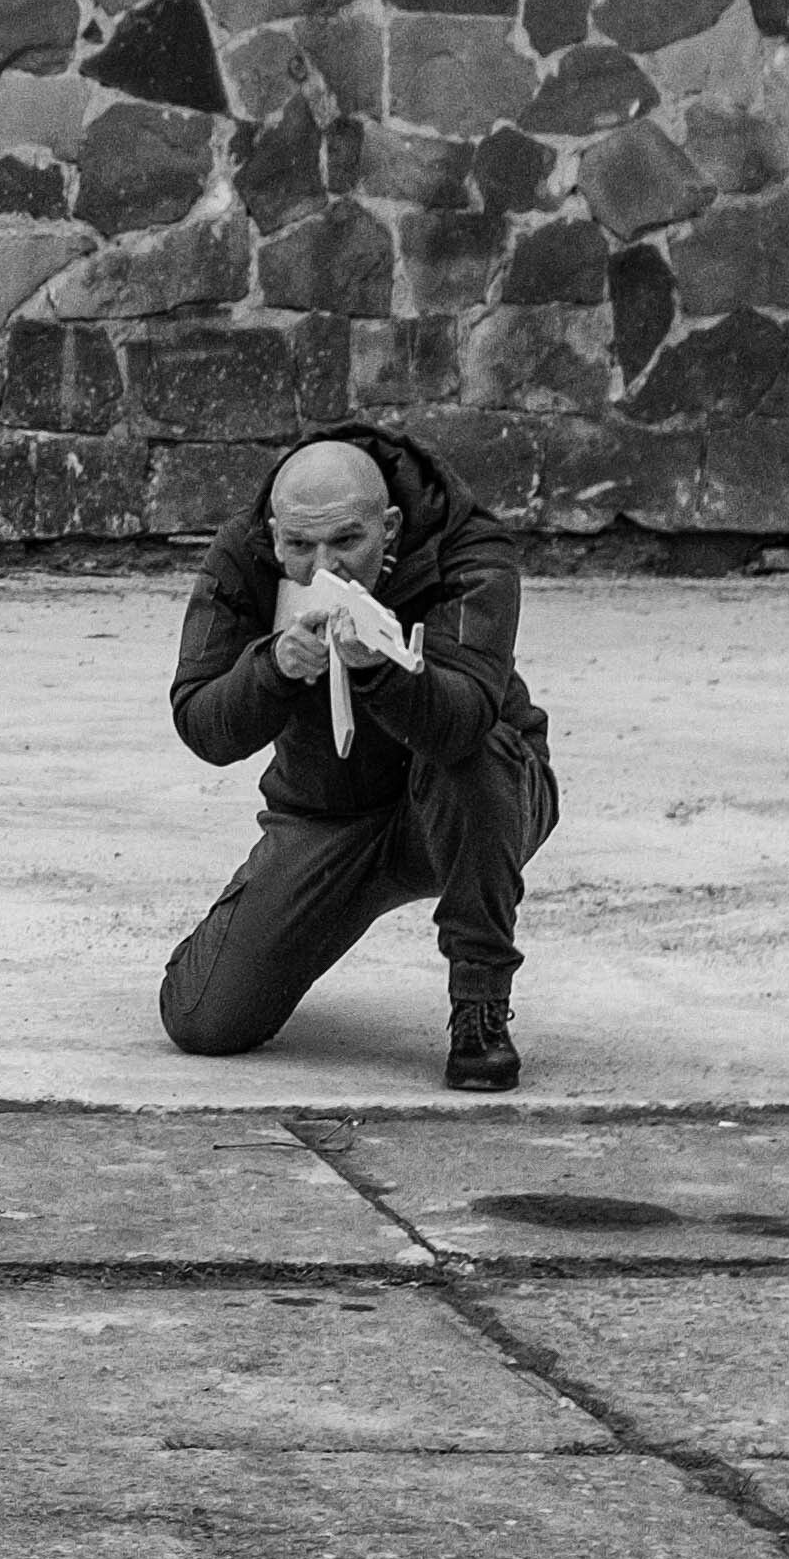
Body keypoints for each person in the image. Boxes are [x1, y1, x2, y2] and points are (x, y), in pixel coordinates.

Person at [159, 423, 557, 1091]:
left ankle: (481, 1007)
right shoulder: (243, 553)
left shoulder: (469, 551)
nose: (324, 568)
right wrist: (274, 668)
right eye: (300, 545)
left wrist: (385, 671)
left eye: (347, 541)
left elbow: (463, 723)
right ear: (274, 528)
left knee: (473, 752)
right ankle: (314, 907)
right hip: (328, 811)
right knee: (202, 1019)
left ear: (391, 526)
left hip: (473, 803)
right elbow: (201, 722)